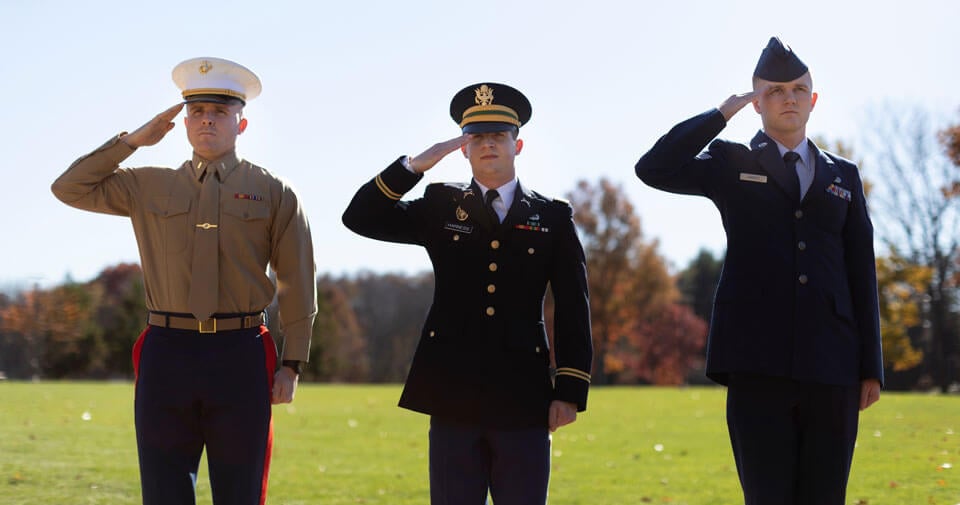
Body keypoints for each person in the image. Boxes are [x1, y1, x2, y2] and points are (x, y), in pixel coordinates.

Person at [51, 57, 317, 505]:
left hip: (242, 352)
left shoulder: (275, 192)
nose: (207, 120)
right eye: (197, 112)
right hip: (166, 353)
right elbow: (69, 187)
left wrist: (292, 364)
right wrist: (133, 141)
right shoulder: (145, 186)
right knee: (164, 493)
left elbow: (297, 279)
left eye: (218, 111)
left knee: (241, 493)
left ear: (241, 123)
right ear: (185, 121)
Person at [634, 37, 883, 504]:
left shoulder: (843, 174)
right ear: (757, 102)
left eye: (797, 89)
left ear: (814, 99)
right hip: (755, 362)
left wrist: (870, 366)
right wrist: (718, 115)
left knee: (825, 496)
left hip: (833, 364)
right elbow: (654, 168)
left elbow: (860, 269)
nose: (787, 98)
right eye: (773, 90)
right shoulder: (731, 161)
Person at [342, 82, 593, 505]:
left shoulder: (551, 216)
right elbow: (360, 217)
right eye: (476, 137)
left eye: (498, 136)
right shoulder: (440, 206)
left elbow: (573, 305)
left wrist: (569, 391)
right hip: (451, 390)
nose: (488, 144)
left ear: (519, 144)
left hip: (524, 395)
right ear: (463, 148)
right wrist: (415, 165)